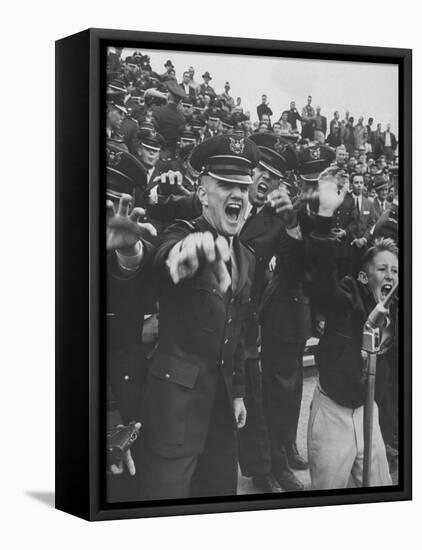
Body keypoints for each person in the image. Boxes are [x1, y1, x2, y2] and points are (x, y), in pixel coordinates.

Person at [138, 135, 260, 500]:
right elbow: (166, 262)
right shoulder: (183, 234)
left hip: (221, 414)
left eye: (244, 186)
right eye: (225, 185)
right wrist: (183, 259)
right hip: (175, 412)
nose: (237, 194)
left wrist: (238, 393)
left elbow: (238, 334)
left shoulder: (247, 258)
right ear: (203, 194)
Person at [307, 172, 397, 489]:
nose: (391, 275)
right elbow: (321, 284)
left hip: (368, 413)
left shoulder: (397, 310)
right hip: (333, 414)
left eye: (396, 270)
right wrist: (323, 221)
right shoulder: (345, 296)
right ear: (362, 277)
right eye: (383, 268)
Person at [152, 80, 187, 158]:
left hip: (154, 150)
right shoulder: (182, 118)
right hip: (170, 155)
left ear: (169, 95)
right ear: (180, 100)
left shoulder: (157, 111)